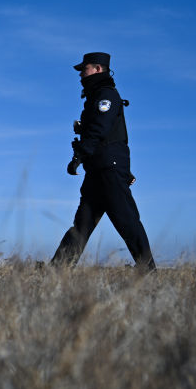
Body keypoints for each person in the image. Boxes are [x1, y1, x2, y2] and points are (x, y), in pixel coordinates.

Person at [51, 52, 156, 269]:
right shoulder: (96, 96)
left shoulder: (106, 95)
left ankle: (147, 269)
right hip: (98, 169)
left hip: (108, 168)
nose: (81, 74)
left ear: (98, 69)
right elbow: (107, 133)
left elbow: (100, 130)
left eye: (84, 69)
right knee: (82, 224)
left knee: (126, 221)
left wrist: (79, 155)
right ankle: (58, 269)